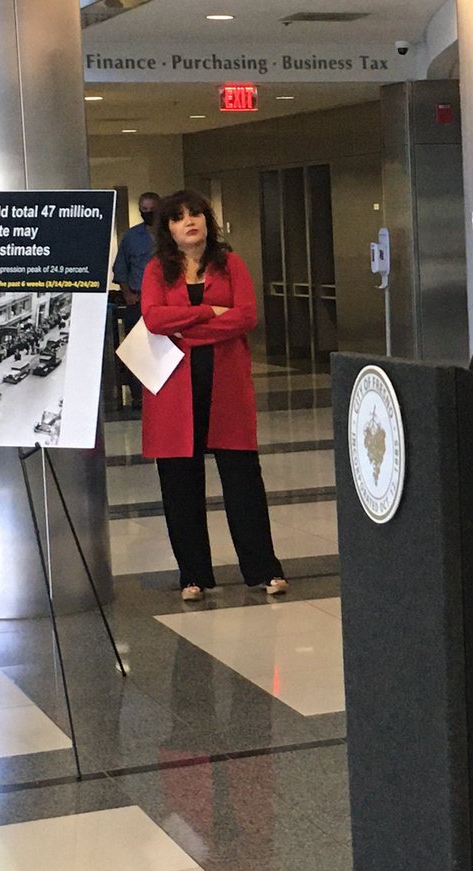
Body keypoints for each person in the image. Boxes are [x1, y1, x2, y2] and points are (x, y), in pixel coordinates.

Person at [140, 189, 288, 603]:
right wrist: (209, 311)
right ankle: (193, 575)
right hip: (174, 391)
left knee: (243, 481)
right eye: (179, 217)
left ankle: (263, 569)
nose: (189, 222)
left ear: (208, 220)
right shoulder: (157, 270)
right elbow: (154, 319)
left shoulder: (231, 264)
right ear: (168, 228)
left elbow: (246, 317)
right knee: (180, 485)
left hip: (227, 386)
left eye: (196, 214)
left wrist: (186, 327)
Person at [112, 191, 161, 408]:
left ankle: (163, 393)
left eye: (152, 209)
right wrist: (127, 294)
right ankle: (138, 396)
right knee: (138, 350)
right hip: (138, 300)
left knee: (166, 349)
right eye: (144, 210)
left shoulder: (171, 234)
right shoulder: (131, 237)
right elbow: (120, 268)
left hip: (165, 302)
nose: (148, 213)